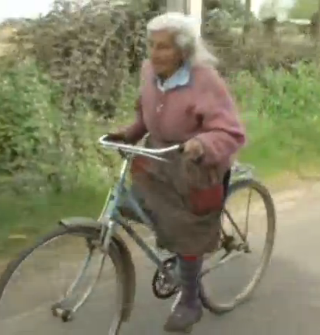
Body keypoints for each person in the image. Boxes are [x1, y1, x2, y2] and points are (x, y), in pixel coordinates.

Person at [105, 12, 246, 333]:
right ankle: (173, 247)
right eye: (151, 46)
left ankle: (191, 301)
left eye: (164, 47)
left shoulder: (204, 79)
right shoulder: (149, 71)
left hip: (196, 167)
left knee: (186, 232)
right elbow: (147, 112)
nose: (155, 54)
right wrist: (130, 132)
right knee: (132, 205)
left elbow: (231, 132)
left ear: (183, 50)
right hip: (159, 158)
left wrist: (200, 143)